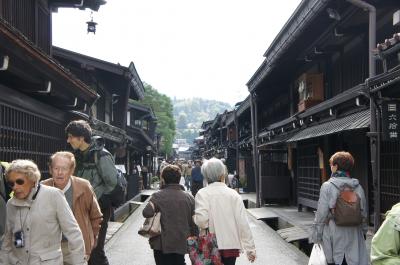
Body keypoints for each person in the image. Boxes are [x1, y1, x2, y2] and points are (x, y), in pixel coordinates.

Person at [0, 159, 86, 265]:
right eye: (11, 183)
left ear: (32, 179)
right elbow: (7, 240)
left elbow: (73, 233)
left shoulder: (54, 195)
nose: (15, 187)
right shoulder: (10, 204)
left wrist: (79, 263)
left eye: (20, 182)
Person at [65, 119, 118, 265]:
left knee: (96, 250)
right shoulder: (78, 156)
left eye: (71, 137)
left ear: (81, 138)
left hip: (99, 207)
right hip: (82, 207)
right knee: (85, 247)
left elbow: (112, 182)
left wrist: (96, 199)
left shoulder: (101, 155)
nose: (68, 140)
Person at [42, 151, 103, 264]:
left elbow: (96, 216)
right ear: (50, 169)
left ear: (71, 170)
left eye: (64, 168)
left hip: (77, 246)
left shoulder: (83, 186)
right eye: (56, 168)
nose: (60, 172)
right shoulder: (43, 187)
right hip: (50, 248)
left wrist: (91, 238)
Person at [194, 157, 256, 265]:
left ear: (206, 176)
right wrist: (250, 249)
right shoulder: (233, 194)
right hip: (231, 244)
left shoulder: (202, 194)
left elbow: (202, 221)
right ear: (222, 175)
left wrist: (194, 217)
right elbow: (243, 223)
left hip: (210, 244)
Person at [310, 151, 368, 265]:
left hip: (333, 231)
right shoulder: (358, 187)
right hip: (354, 232)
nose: (331, 167)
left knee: (336, 259)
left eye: (331, 165)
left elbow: (321, 214)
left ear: (335, 166)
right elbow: (363, 213)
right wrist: (364, 231)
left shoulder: (327, 186)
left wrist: (316, 235)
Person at [142, 165, 196, 265]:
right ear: (179, 179)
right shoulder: (189, 198)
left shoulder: (157, 196)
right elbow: (194, 222)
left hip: (161, 243)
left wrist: (153, 205)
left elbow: (146, 213)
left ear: (163, 179)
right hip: (181, 241)